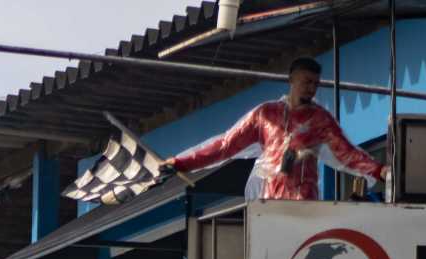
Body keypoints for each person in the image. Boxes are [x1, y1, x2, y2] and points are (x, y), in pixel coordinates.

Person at [165, 56, 391, 201]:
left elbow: (347, 153)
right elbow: (225, 145)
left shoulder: (321, 119)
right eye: (306, 81)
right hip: (271, 201)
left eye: (315, 83)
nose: (311, 88)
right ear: (291, 80)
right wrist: (182, 163)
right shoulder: (266, 115)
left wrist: (378, 170)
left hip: (306, 202)